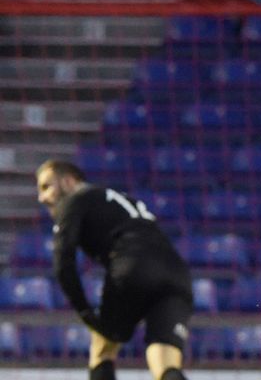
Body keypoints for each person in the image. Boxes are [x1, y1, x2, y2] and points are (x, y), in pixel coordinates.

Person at [35, 160, 193, 380]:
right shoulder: (117, 199)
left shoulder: (75, 200)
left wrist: (86, 313)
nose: (42, 197)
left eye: (46, 186)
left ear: (69, 181)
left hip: (132, 265)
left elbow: (63, 261)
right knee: (165, 362)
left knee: (103, 350)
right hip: (177, 275)